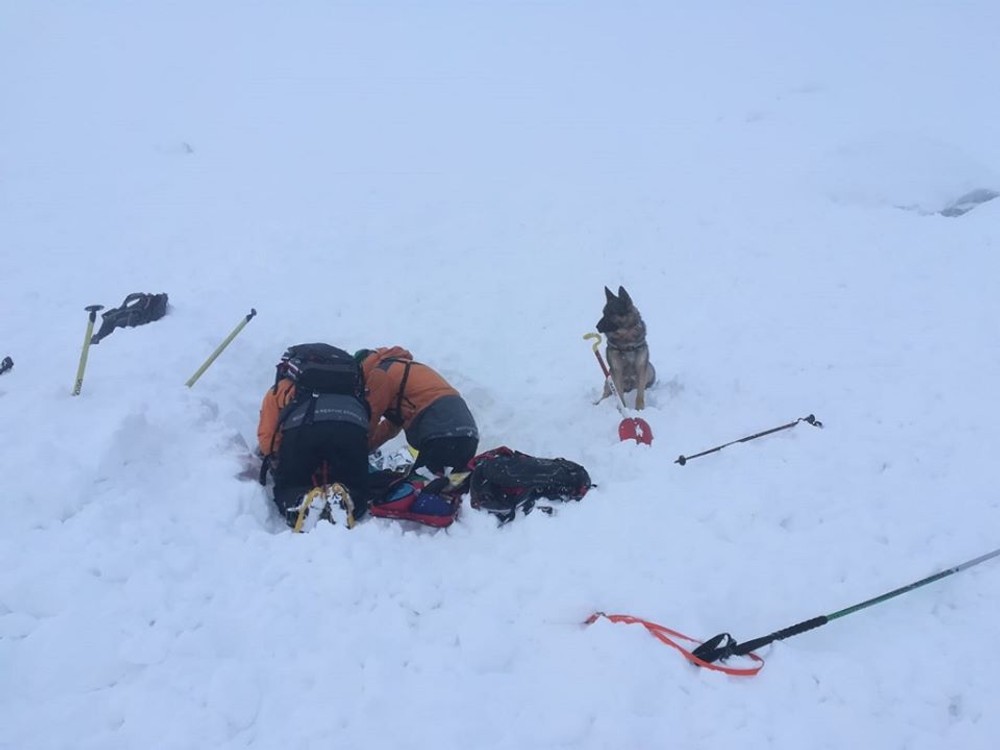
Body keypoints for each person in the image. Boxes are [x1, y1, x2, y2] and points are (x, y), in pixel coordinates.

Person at [258, 343, 371, 528]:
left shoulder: (283, 387)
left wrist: (278, 458)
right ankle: (347, 499)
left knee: (290, 484)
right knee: (356, 484)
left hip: (304, 426)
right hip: (351, 425)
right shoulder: (351, 389)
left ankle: (300, 501)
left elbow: (267, 437)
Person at [355, 347, 479, 475]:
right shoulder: (403, 367)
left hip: (438, 427)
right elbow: (391, 427)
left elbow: (370, 416)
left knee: (421, 485)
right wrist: (366, 447)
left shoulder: (380, 373)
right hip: (467, 432)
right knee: (448, 489)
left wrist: (353, 450)